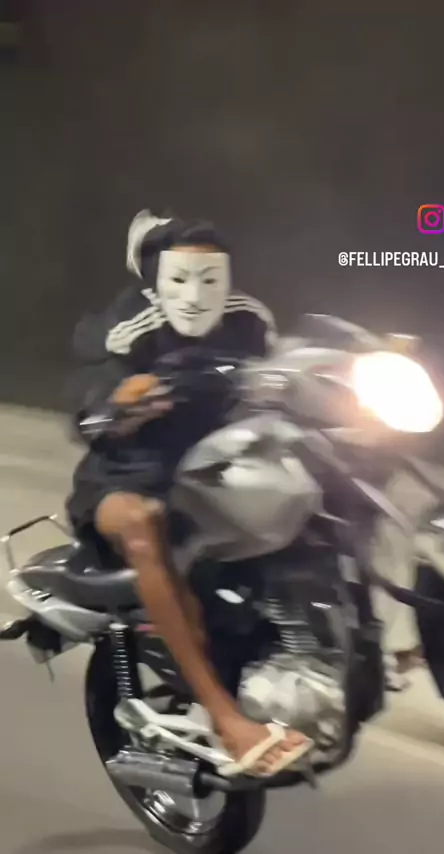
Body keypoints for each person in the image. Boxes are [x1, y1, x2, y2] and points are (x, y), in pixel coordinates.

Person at [66, 210, 312, 777]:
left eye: (210, 275)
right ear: (156, 278)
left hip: (217, 466)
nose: (197, 293)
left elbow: (287, 362)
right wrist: (115, 404)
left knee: (325, 477)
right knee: (142, 525)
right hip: (129, 475)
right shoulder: (127, 324)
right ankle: (226, 719)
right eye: (181, 277)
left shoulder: (248, 318)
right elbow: (87, 392)